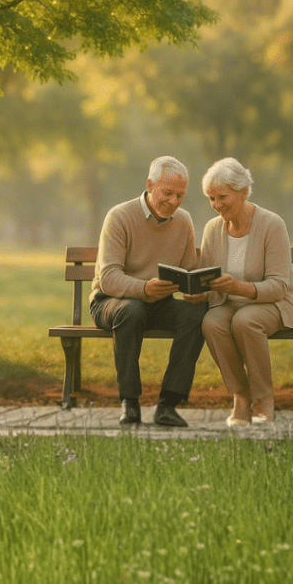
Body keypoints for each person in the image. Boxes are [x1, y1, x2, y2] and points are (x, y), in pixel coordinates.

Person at [90, 155, 207, 427]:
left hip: (158, 302)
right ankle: (129, 402)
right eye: (168, 193)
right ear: (150, 185)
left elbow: (189, 269)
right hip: (112, 303)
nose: (174, 201)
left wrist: (194, 290)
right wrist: (144, 288)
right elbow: (108, 278)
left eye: (180, 195)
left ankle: (168, 404)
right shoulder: (120, 216)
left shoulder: (183, 221)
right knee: (132, 309)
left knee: (198, 314)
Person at [194, 158, 293, 426]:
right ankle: (241, 396)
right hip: (228, 304)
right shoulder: (213, 229)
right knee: (211, 322)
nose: (216, 205)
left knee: (246, 321)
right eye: (211, 198)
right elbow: (205, 278)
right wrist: (194, 291)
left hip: (274, 304)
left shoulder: (271, 225)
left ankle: (264, 399)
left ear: (243, 192)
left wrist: (239, 287)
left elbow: (279, 286)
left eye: (222, 197)